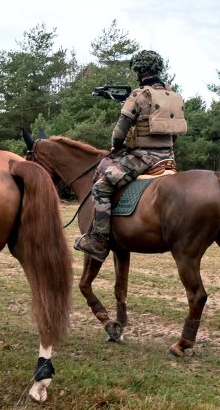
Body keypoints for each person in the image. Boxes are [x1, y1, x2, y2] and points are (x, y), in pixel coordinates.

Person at [74, 50, 186, 261]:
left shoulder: (139, 95)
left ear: (139, 70)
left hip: (144, 158)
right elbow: (175, 133)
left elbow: (118, 133)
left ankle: (98, 240)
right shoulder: (174, 96)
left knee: (101, 187)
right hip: (168, 158)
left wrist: (116, 146)